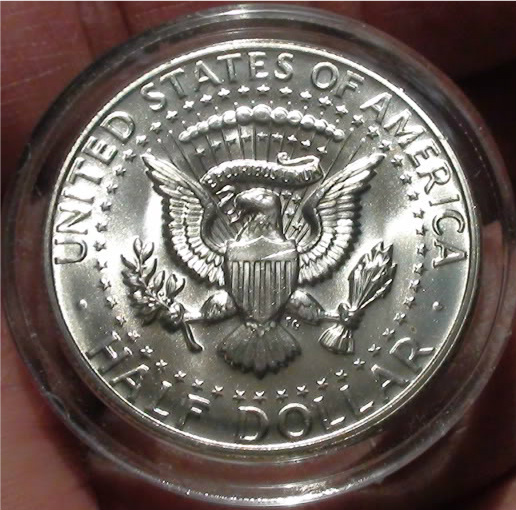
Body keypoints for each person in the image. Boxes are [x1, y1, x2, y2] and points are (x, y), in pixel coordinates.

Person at [2, 3, 515, 509]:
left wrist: (336, 317)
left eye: (250, 204)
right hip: (258, 328)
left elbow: (336, 199)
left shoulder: (246, 246)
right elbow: (184, 198)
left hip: (268, 328)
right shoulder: (278, 248)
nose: (242, 209)